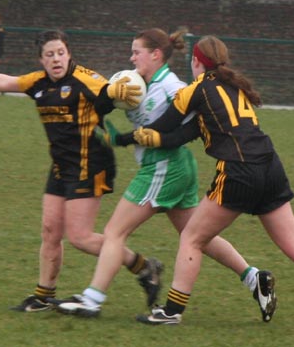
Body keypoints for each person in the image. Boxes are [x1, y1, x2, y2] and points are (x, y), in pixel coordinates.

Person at [132, 35, 294, 333]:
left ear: (196, 62)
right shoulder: (234, 86)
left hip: (239, 171)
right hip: (271, 166)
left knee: (191, 237)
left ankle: (172, 311)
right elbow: (184, 133)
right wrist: (150, 137)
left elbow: (164, 126)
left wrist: (124, 112)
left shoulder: (195, 89)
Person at [54, 28, 277, 322]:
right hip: (174, 168)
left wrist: (127, 139)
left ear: (155, 55)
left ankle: (92, 300)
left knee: (114, 233)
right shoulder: (132, 79)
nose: (131, 57)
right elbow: (99, 106)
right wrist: (110, 93)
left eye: (136, 52)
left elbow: (192, 126)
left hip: (165, 166)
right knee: (197, 236)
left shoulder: (172, 86)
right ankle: (253, 278)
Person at [0, 29, 162, 312]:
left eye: (61, 52)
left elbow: (110, 90)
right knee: (50, 230)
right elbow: (6, 81)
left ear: (69, 54)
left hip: (91, 162)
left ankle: (145, 267)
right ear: (41, 60)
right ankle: (43, 296)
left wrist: (118, 92)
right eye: (50, 55)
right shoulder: (37, 82)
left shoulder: (86, 78)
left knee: (80, 238)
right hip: (61, 164)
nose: (56, 59)